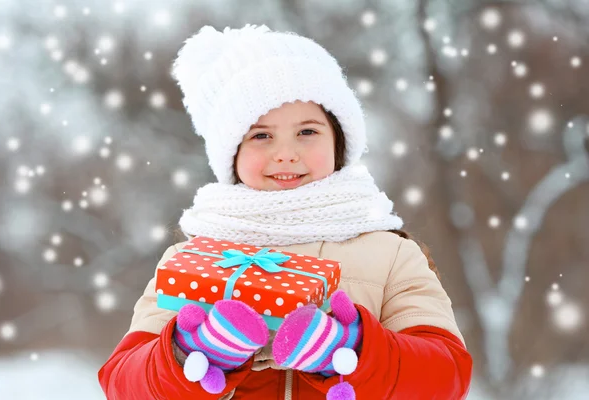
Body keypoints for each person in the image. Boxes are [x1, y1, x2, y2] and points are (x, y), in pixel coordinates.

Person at [98, 24, 472, 399]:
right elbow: (123, 385)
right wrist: (189, 353)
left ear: (338, 141)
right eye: (262, 135)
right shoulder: (190, 262)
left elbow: (446, 378)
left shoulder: (391, 256)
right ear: (232, 154)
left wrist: (351, 350)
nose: (286, 153)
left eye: (307, 132)